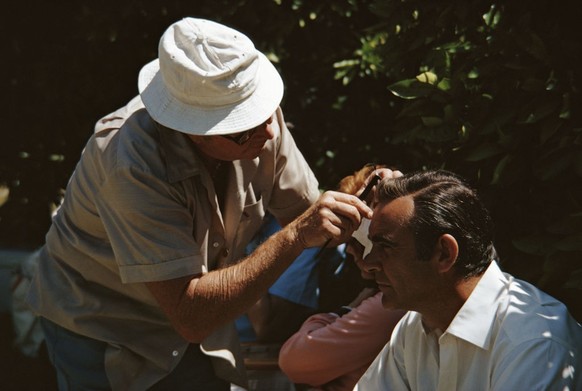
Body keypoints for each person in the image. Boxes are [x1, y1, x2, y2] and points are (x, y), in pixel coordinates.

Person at [25, 17, 375, 391]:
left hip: (196, 318)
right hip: (104, 328)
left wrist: (374, 199)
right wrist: (294, 238)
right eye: (245, 127)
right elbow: (192, 314)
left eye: (265, 112)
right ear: (194, 131)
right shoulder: (129, 162)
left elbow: (312, 218)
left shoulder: (259, 125)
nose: (270, 132)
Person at [355, 169, 582, 390]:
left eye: (385, 246)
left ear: (444, 253)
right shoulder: (416, 325)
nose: (368, 263)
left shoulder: (534, 343)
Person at [278, 165, 406, 391]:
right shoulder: (393, 298)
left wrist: (345, 311)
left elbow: (293, 361)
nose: (348, 251)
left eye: (357, 240)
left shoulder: (392, 306)